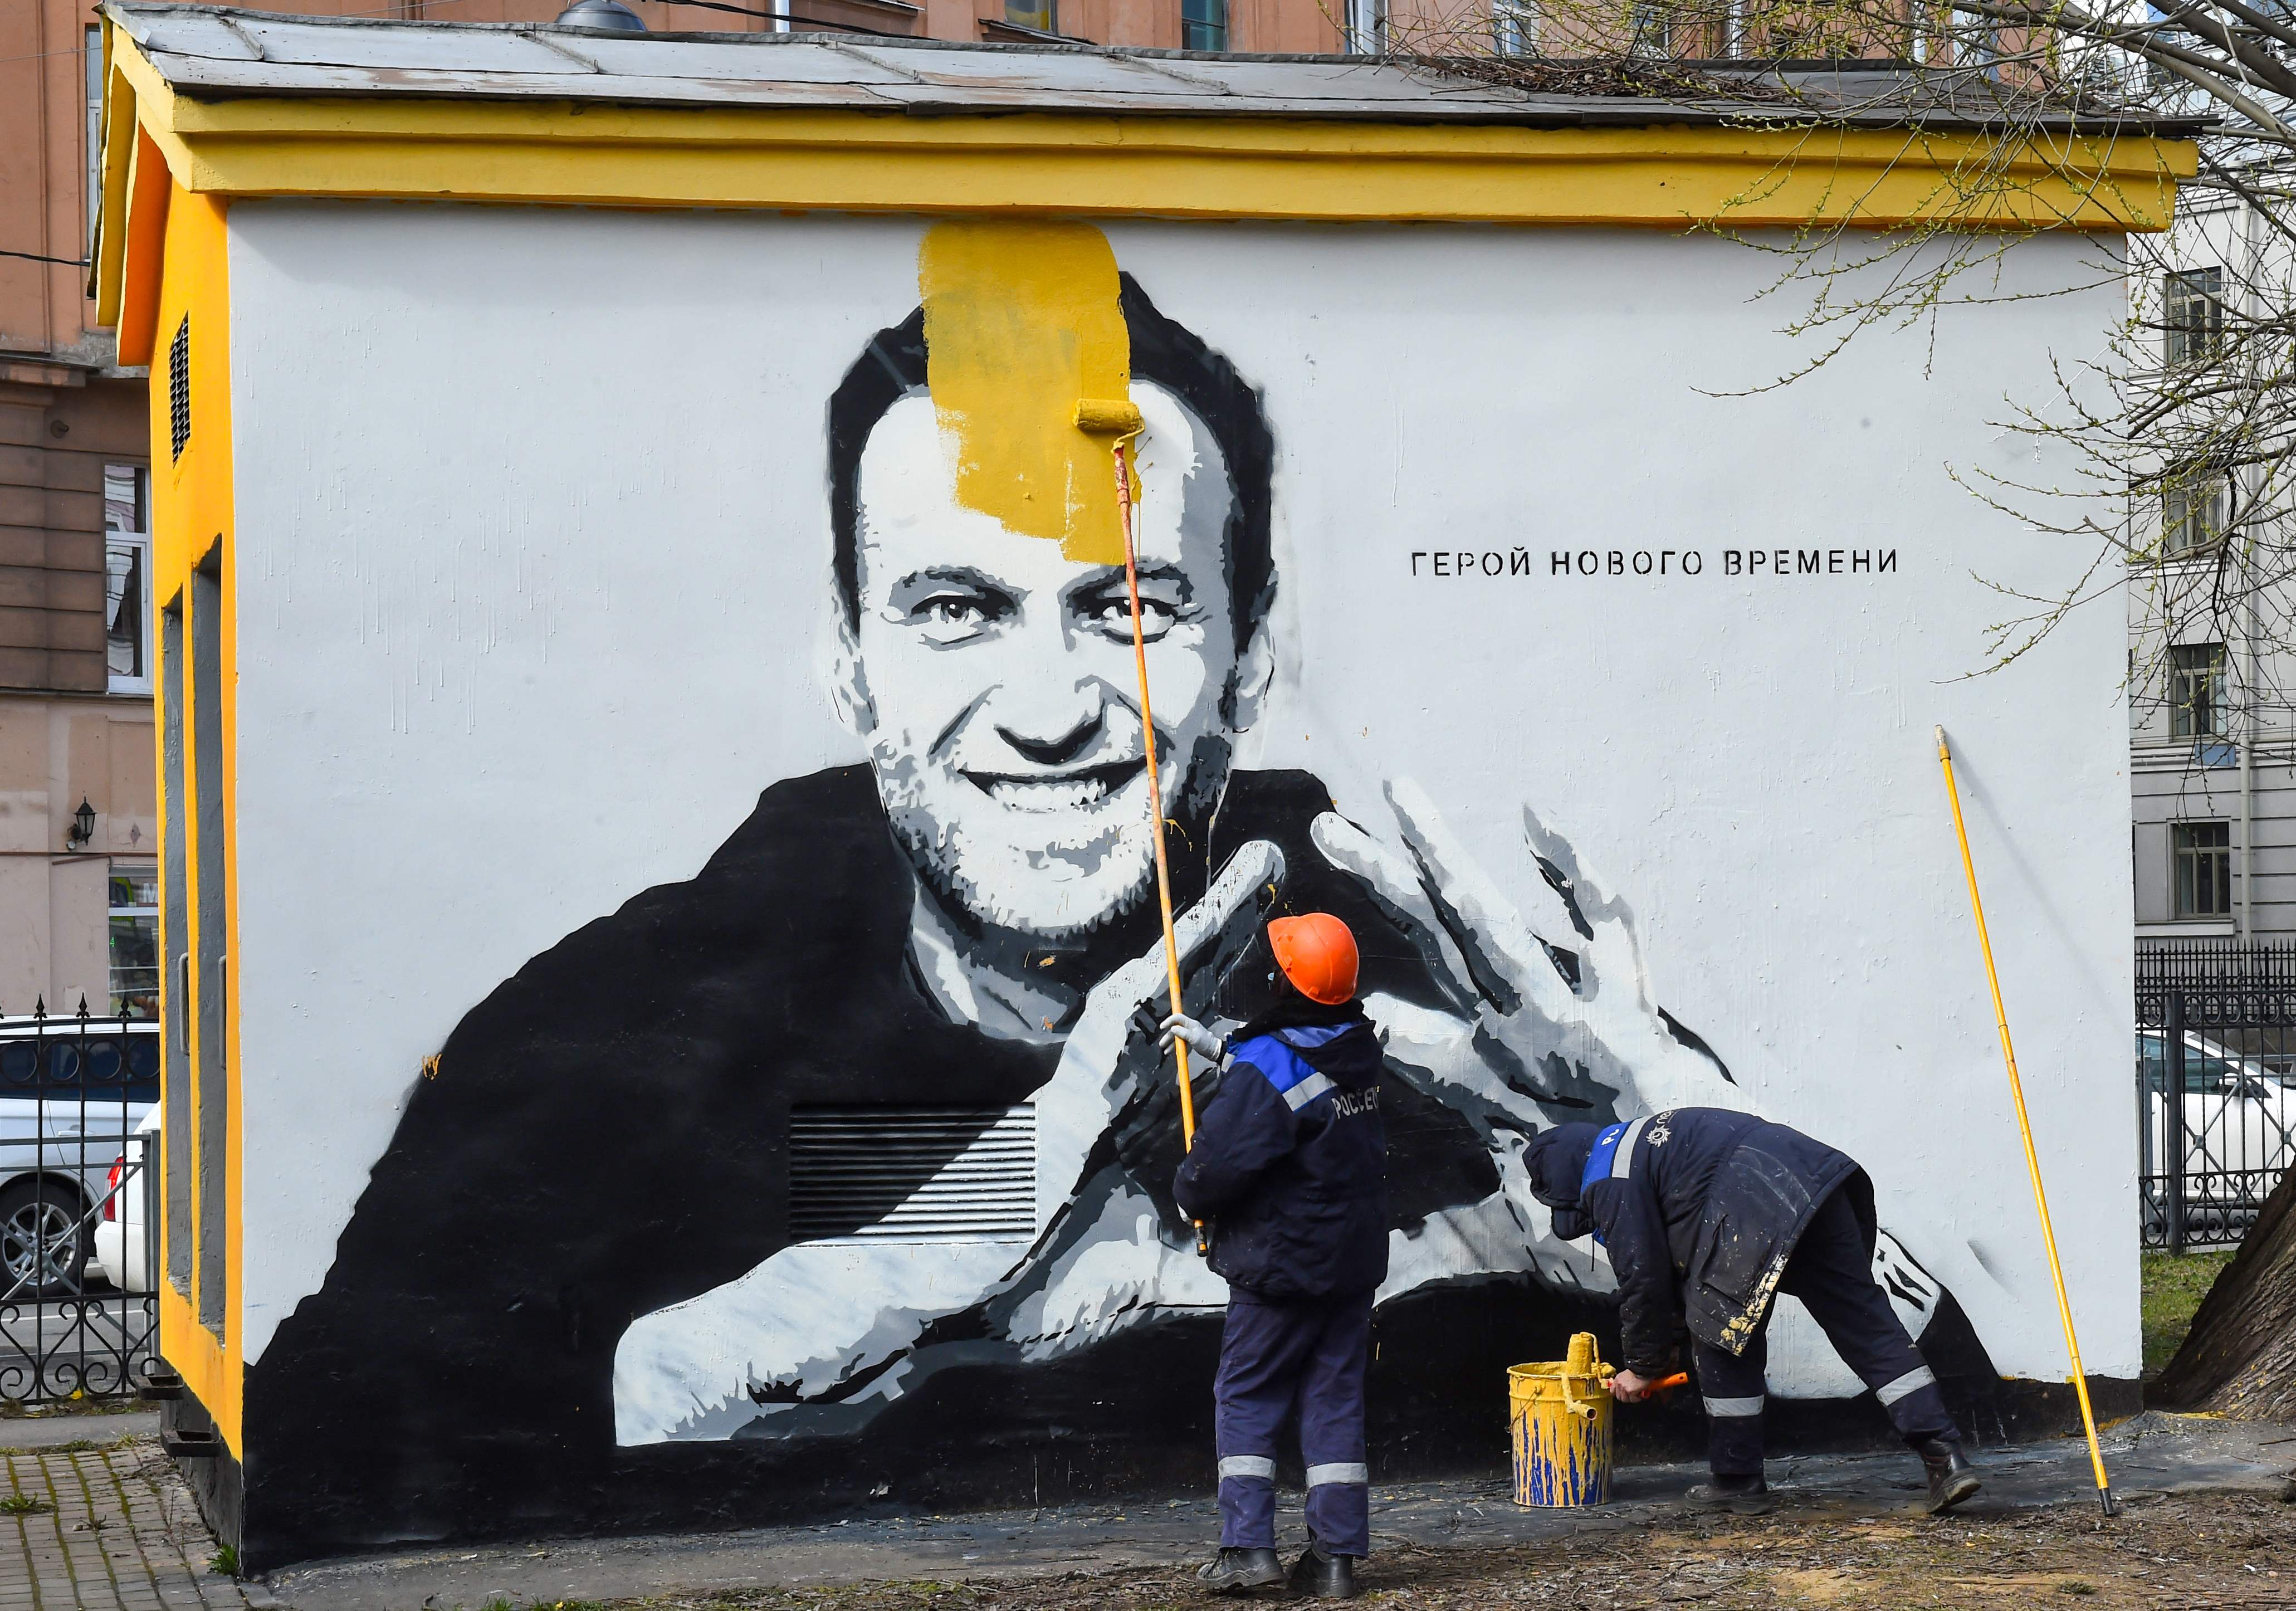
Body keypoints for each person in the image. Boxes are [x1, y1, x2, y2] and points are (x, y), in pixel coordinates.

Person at [243, 219, 1987, 1561]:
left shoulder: (1459, 987)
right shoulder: (628, 1023)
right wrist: (967, 1222)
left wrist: (1670, 1120)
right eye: (952, 609)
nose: (1055, 700)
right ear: (850, 669)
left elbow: (1921, 1350)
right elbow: (350, 1432)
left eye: (1131, 606)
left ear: (1249, 661)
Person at [1524, 1111, 1984, 1515]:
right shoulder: (1646, 1143)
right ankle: (1945, 1458)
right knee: (1865, 1323)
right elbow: (1674, 1270)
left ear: (1567, 1177)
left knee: (1721, 1337)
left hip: (1746, 1198)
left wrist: (1643, 1368)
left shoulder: (1607, 1177)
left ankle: (1738, 1479)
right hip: (1817, 1181)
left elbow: (1644, 1279)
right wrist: (1666, 1353)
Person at [1164, 913, 1387, 1601]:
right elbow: (1300, 1083)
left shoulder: (1271, 1064)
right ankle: (1334, 1562)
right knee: (1333, 1401)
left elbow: (1223, 1161)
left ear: (1287, 978)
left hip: (1281, 1268)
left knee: (1248, 1397)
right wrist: (1224, 1052)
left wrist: (1189, 1193)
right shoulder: (1361, 1042)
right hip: (1349, 1266)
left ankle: (1247, 1550)